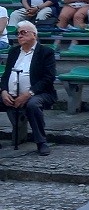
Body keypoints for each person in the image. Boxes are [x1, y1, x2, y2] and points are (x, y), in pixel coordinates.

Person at [0, 21, 58, 156]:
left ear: (34, 35)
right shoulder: (14, 52)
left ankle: (41, 142)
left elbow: (48, 78)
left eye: (23, 32)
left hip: (39, 93)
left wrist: (29, 93)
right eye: (18, 33)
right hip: (11, 94)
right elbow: (6, 76)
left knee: (33, 104)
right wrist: (3, 91)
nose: (19, 36)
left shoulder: (45, 52)